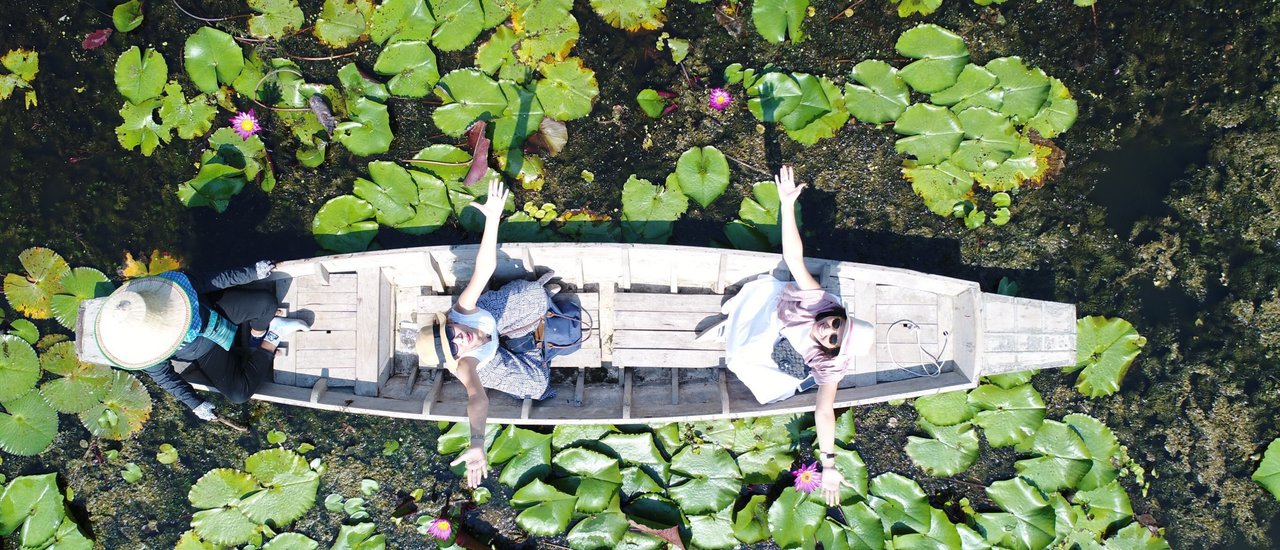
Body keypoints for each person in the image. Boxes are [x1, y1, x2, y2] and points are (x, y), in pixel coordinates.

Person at [713, 165, 873, 506]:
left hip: (782, 345)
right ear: (837, 315)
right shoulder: (818, 303)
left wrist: (828, 464)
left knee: (765, 385)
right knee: (741, 354)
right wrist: (786, 205)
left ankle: (765, 353)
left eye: (833, 338)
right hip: (769, 311)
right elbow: (793, 258)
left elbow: (825, 411)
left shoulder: (832, 365)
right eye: (835, 324)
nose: (828, 329)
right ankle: (736, 321)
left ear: (833, 352)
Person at [411, 178, 557, 489]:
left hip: (491, 317)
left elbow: (484, 268)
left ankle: (534, 318)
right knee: (537, 385)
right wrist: (477, 441)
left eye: (450, 332)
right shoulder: (466, 365)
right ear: (457, 357)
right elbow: (477, 399)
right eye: (453, 346)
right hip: (488, 361)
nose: (458, 338)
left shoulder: (463, 312)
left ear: (449, 323)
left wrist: (492, 218)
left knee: (535, 297)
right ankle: (530, 338)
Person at [81, 260, 311, 422]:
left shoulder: (167, 289)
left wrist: (252, 272)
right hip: (205, 351)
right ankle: (273, 336)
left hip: (215, 312)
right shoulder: (142, 349)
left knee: (266, 303)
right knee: (239, 394)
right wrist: (195, 404)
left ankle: (255, 340)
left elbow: (215, 280)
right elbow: (166, 378)